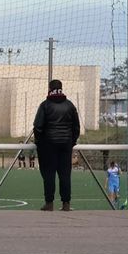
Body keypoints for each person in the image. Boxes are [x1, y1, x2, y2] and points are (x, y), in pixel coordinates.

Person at [33, 78, 81, 211]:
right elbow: (76, 127)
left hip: (48, 145)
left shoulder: (45, 105)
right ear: (61, 88)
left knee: (49, 175)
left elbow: (37, 126)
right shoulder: (70, 105)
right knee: (65, 174)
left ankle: (49, 203)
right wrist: (71, 141)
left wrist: (40, 142)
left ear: (49, 89)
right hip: (65, 145)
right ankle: (66, 203)